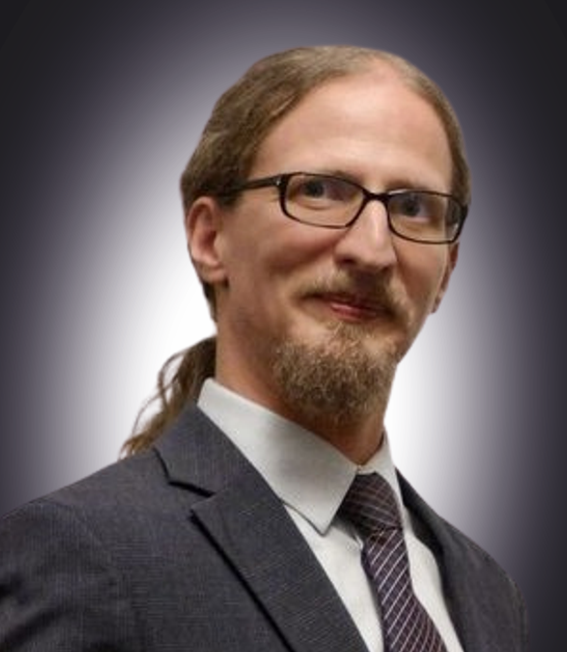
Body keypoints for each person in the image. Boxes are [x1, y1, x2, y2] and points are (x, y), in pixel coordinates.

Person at [0, 45, 528, 651]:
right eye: (320, 190)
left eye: (412, 207)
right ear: (210, 238)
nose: (373, 250)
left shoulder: (490, 595)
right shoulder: (83, 556)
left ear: (448, 272)